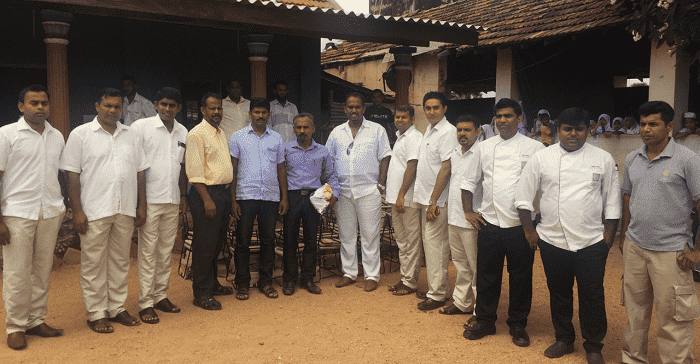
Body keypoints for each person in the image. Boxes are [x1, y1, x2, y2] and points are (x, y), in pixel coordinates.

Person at [514, 107, 620, 364]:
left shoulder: (603, 158)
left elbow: (613, 201)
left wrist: (608, 238)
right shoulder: (543, 157)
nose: (573, 134)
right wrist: (530, 231)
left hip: (591, 241)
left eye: (579, 129)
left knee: (592, 294)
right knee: (559, 292)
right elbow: (523, 196)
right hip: (552, 240)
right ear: (558, 130)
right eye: (567, 129)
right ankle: (564, 338)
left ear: (588, 130)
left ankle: (593, 345)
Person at [61, 88, 148, 333]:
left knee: (120, 261)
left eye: (117, 107)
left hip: (125, 207)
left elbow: (140, 171)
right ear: (97, 105)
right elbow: (72, 175)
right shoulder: (80, 134)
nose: (112, 111)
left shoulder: (131, 135)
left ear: (122, 109)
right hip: (94, 210)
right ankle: (96, 312)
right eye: (107, 106)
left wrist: (141, 205)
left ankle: (117, 307)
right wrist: (76, 211)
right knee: (93, 263)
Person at [619, 101, 700, 364]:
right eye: (642, 124)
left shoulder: (688, 160)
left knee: (674, 317)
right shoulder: (633, 158)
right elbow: (628, 197)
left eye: (653, 124)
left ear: (669, 126)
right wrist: (624, 235)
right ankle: (632, 359)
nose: (646, 129)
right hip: (635, 246)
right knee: (635, 312)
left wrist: (698, 251)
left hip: (672, 252)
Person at [461, 98, 544, 347]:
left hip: (521, 227)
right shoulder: (484, 148)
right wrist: (468, 211)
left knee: (521, 277)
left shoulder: (535, 148)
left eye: (508, 116)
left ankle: (518, 324)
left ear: (519, 119)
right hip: (490, 224)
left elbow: (543, 188)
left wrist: (535, 225)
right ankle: (485, 321)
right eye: (499, 116)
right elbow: (468, 182)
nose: (503, 121)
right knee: (487, 276)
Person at [1, 85, 65, 350]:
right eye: (34, 103)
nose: (40, 108)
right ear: (21, 106)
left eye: (44, 103)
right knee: (17, 272)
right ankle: (15, 326)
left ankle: (36, 320)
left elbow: (58, 174)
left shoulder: (57, 136)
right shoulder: (6, 135)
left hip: (49, 211)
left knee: (41, 270)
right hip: (18, 213)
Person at [130, 87, 188, 324]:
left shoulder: (183, 131)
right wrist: (140, 205)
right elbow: (137, 167)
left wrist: (183, 196)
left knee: (165, 253)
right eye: (163, 104)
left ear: (179, 108)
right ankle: (145, 303)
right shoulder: (141, 128)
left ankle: (160, 296)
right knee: (148, 252)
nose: (167, 108)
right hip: (150, 201)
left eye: (172, 105)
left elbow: (182, 167)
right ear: (155, 104)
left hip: (172, 199)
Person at [326, 92, 391, 292]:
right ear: (345, 109)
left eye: (357, 107)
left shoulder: (377, 130)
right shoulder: (337, 132)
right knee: (346, 234)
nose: (353, 110)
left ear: (364, 108)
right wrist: (331, 188)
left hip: (369, 190)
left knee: (370, 234)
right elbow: (328, 160)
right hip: (343, 191)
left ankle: (371, 275)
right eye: (350, 107)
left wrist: (380, 185)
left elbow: (385, 157)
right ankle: (349, 273)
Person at [230, 98, 289, 300]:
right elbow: (233, 170)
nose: (261, 116)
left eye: (264, 112)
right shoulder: (237, 137)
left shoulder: (277, 139)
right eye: (257, 112)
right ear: (250, 114)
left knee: (268, 241)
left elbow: (281, 169)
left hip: (270, 198)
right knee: (243, 242)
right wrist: (233, 201)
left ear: (269, 115)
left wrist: (284, 197)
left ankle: (266, 282)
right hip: (245, 196)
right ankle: (243, 284)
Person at [185, 92, 234, 311]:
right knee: (204, 245)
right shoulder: (196, 134)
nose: (216, 112)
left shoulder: (220, 132)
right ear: (203, 110)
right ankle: (201, 293)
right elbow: (194, 172)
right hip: (206, 195)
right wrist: (207, 200)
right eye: (212, 108)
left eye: (219, 108)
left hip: (221, 194)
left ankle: (212, 284)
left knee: (216, 244)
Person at [281, 113, 339, 296]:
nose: (302, 131)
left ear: (313, 129)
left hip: (315, 197)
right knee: (289, 241)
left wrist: (333, 196)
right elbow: (279, 176)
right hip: (291, 197)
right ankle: (289, 279)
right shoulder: (285, 149)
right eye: (298, 127)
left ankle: (308, 278)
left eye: (306, 127)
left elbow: (330, 177)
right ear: (293, 129)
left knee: (311, 241)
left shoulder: (322, 151)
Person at [413, 91, 458, 310]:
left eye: (436, 108)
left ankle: (438, 295)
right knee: (431, 245)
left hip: (437, 200)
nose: (431, 112)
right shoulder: (429, 130)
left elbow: (446, 166)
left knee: (436, 246)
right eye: (428, 108)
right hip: (426, 198)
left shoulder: (447, 132)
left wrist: (434, 200)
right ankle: (436, 288)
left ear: (445, 109)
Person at [441, 114, 481, 317]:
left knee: (476, 267)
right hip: (454, 217)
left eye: (467, 130)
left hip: (472, 221)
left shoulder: (482, 153)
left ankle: (480, 311)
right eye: (459, 130)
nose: (462, 133)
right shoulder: (455, 152)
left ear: (478, 131)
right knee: (460, 264)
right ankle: (461, 303)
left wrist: (471, 212)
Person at [385, 105, 423, 296]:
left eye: (404, 117)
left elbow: (412, 167)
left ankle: (411, 282)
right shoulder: (401, 137)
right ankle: (405, 277)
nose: (400, 120)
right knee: (401, 241)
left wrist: (401, 195)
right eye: (397, 117)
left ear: (412, 119)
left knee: (411, 242)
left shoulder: (414, 138)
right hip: (396, 199)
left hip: (406, 199)